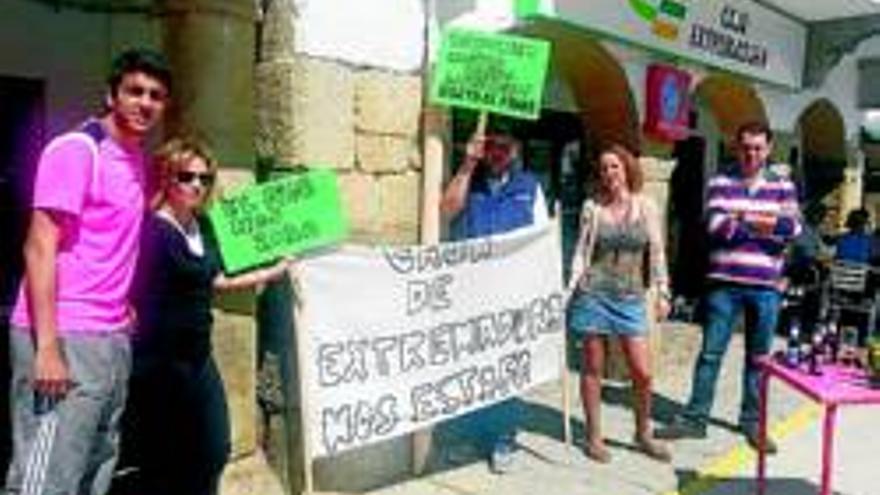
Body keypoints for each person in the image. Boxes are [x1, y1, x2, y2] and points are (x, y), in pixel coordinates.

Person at [5, 48, 171, 495]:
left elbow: (110, 240)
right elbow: (39, 246)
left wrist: (122, 303)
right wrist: (47, 347)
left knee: (96, 462)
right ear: (111, 95)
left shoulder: (134, 158)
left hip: (110, 334)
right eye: (135, 91)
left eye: (156, 95)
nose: (145, 103)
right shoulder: (78, 150)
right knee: (46, 474)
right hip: (64, 333)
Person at [119, 138, 291, 495]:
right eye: (186, 176)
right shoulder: (151, 231)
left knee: (214, 448)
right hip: (159, 362)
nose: (196, 184)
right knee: (168, 458)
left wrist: (273, 272)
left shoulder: (202, 227)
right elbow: (124, 284)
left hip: (197, 356)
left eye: (204, 178)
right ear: (166, 177)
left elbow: (214, 278)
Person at [658, 121, 801, 454]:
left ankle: (751, 422)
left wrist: (744, 218)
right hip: (724, 283)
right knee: (710, 354)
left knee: (759, 358)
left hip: (765, 286)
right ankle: (695, 419)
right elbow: (716, 226)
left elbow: (792, 228)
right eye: (745, 147)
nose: (751, 153)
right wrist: (765, 226)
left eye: (757, 147)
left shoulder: (783, 185)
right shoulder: (721, 181)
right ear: (737, 148)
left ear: (767, 150)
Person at [439, 118, 548, 474]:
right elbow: (445, 210)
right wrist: (467, 164)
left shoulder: (530, 187)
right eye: (491, 146)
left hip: (512, 296)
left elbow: (541, 240)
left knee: (506, 371)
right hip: (471, 295)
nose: (497, 153)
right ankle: (471, 437)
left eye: (504, 146)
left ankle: (503, 439)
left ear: (514, 150)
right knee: (470, 368)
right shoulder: (470, 182)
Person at [566, 144, 671, 463]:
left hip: (630, 297)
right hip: (594, 294)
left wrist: (663, 290)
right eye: (604, 168)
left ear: (627, 169)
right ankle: (594, 437)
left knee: (642, 372)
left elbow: (657, 250)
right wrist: (569, 290)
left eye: (614, 166)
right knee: (593, 368)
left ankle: (642, 433)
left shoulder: (646, 206)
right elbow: (582, 253)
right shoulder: (592, 207)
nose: (609, 173)